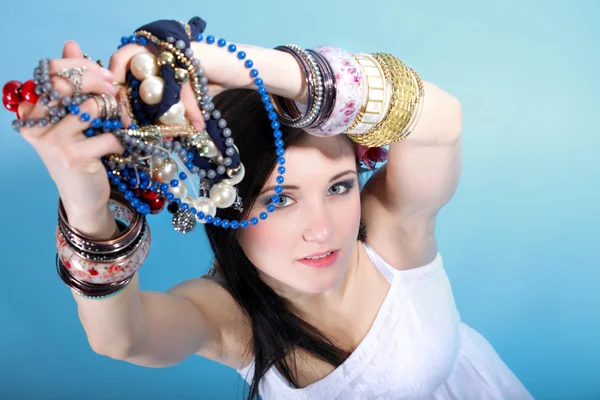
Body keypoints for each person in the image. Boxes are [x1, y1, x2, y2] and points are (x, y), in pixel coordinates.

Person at [11, 25, 534, 399]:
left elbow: (442, 118)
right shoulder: (229, 316)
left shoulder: (394, 231)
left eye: (339, 186)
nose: (324, 230)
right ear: (228, 206)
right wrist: (84, 203)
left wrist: (226, 64)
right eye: (280, 200)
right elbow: (120, 338)